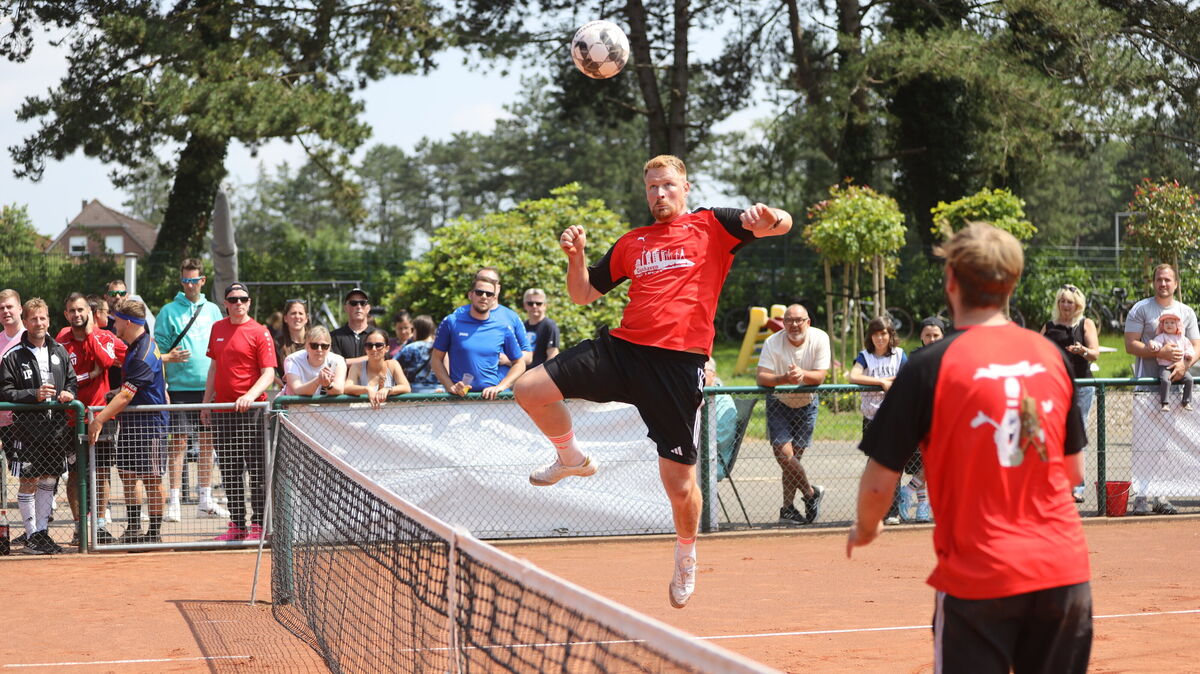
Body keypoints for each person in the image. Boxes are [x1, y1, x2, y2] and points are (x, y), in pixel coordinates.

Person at [513, 154, 793, 609]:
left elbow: (782, 225)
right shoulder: (633, 242)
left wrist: (769, 216)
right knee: (528, 388)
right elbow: (583, 294)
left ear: (685, 187)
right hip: (622, 351)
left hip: (678, 368)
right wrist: (576, 256)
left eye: (667, 186)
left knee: (680, 488)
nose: (659, 195)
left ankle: (686, 553)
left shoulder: (712, 225)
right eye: (651, 188)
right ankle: (571, 457)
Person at [847, 223, 1092, 674]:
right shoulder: (1050, 357)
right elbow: (1073, 471)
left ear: (951, 282)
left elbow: (880, 485)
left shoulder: (926, 367)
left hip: (981, 577)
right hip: (1063, 573)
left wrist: (865, 529)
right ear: (1013, 284)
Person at [87, 298, 169, 544]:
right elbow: (127, 390)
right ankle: (134, 528)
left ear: (130, 322)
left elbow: (126, 394)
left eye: (118, 321)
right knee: (127, 473)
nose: (114, 325)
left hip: (151, 425)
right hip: (133, 422)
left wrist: (99, 419)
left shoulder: (143, 352)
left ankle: (153, 534)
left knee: (152, 478)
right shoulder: (133, 346)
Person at [0, 298, 78, 555]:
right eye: (34, 318)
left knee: (50, 479)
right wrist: (34, 393)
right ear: (27, 321)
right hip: (26, 429)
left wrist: (67, 392)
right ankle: (31, 534)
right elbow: (6, 391)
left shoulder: (59, 352)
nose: (39, 323)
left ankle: (42, 532)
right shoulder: (14, 356)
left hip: (55, 428)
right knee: (29, 479)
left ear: (49, 320)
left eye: (43, 318)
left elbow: (72, 382)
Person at [154, 258, 228, 523]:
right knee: (178, 445)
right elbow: (156, 351)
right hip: (179, 388)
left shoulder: (213, 311)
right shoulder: (168, 311)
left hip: (209, 388)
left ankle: (205, 500)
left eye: (194, 280)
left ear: (202, 281)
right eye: (185, 280)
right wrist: (168, 358)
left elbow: (222, 348)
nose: (190, 285)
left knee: (208, 444)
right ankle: (173, 501)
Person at [202, 283, 277, 542]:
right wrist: (206, 403)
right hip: (223, 410)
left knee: (256, 469)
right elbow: (214, 367)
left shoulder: (260, 331)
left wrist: (249, 396)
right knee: (229, 469)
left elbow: (269, 373)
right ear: (226, 303)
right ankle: (237, 525)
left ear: (249, 301)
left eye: (243, 299)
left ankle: (258, 524)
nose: (238, 303)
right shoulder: (218, 328)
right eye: (233, 299)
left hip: (252, 411)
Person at [1123, 263, 1199, 515]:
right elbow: (1130, 345)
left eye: (1168, 280)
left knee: (1168, 444)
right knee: (1146, 444)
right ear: (1153, 282)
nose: (1163, 284)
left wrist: (1183, 364)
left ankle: (1162, 496)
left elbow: (1197, 346)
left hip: (1177, 388)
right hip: (1147, 388)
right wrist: (1160, 351)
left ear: (1176, 283)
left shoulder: (1186, 311)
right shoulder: (1141, 309)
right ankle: (1141, 497)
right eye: (1159, 279)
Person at [755, 303, 830, 525]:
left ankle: (787, 509)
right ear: (783, 322)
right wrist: (783, 379)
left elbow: (819, 377)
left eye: (799, 320)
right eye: (789, 320)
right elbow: (762, 377)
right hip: (779, 403)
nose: (794, 324)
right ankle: (810, 493)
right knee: (784, 456)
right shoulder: (772, 342)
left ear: (808, 322)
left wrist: (802, 375)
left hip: (807, 404)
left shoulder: (820, 338)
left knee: (792, 461)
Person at [56, 293, 120, 543]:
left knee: (102, 472)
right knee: (75, 473)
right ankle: (79, 526)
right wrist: (87, 376)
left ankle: (100, 525)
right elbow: (60, 378)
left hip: (100, 415)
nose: (77, 315)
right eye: (72, 311)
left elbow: (106, 361)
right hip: (71, 418)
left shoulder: (104, 336)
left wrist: (92, 333)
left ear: (90, 313)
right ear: (66, 314)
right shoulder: (62, 338)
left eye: (81, 310)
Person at [1041, 284, 1099, 503]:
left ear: (1078, 305)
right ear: (1058, 304)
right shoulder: (1049, 326)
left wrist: (1082, 350)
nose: (1066, 305)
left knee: (1077, 433)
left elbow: (1095, 354)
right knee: (1054, 435)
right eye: (1062, 301)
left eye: (1070, 302)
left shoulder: (1085, 324)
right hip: (1054, 387)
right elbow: (1037, 349)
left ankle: (1077, 487)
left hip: (1081, 386)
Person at [849, 316, 908, 525]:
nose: (880, 338)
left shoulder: (899, 355)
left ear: (890, 335)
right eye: (876, 334)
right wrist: (881, 382)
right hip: (873, 418)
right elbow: (853, 376)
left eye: (884, 333)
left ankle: (892, 511)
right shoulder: (866, 356)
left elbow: (907, 376)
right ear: (870, 337)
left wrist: (891, 381)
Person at [432, 277, 525, 400]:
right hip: (459, 399)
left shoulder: (502, 327)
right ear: (470, 295)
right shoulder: (451, 322)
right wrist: (450, 386)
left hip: (491, 399)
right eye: (479, 292)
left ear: (494, 298)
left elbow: (520, 363)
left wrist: (501, 387)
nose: (484, 296)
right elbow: (436, 359)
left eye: (489, 294)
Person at [345, 327, 410, 408]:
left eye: (379, 345)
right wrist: (367, 389)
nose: (374, 349)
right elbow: (347, 387)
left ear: (387, 348)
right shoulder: (357, 366)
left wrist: (388, 390)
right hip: (362, 415)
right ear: (365, 348)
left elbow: (406, 387)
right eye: (369, 345)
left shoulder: (393, 365)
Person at [284, 325, 347, 397]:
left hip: (324, 407)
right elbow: (297, 390)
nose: (319, 349)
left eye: (324, 346)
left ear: (329, 347)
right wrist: (318, 380)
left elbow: (339, 390)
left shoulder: (338, 361)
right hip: (294, 407)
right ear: (306, 346)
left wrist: (328, 385)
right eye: (314, 345)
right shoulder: (292, 360)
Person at [1151, 310, 1194, 411]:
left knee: (1189, 379)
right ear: (1162, 325)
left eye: (1172, 322)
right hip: (1165, 367)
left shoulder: (1183, 338)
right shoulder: (1162, 337)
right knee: (1166, 380)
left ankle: (1186, 401)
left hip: (1180, 367)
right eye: (1166, 322)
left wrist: (1188, 354)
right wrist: (1154, 345)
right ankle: (1165, 403)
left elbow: (1189, 348)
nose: (1169, 325)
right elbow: (1157, 344)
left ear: (1178, 325)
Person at [396, 314, 439, 393]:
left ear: (418, 330)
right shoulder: (441, 348)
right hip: (439, 392)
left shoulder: (410, 348)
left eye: (413, 329)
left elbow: (393, 365)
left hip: (417, 393)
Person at [331, 288, 373, 366]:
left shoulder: (378, 334)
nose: (358, 306)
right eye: (353, 303)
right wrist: (370, 358)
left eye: (363, 303)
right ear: (346, 308)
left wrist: (345, 362)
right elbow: (334, 364)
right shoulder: (334, 336)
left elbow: (383, 359)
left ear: (368, 308)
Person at [522, 288, 560, 368]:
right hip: (521, 374)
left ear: (545, 306)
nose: (534, 306)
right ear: (525, 305)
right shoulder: (522, 326)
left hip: (539, 376)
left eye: (538, 303)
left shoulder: (549, 326)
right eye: (530, 303)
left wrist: (540, 376)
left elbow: (552, 356)